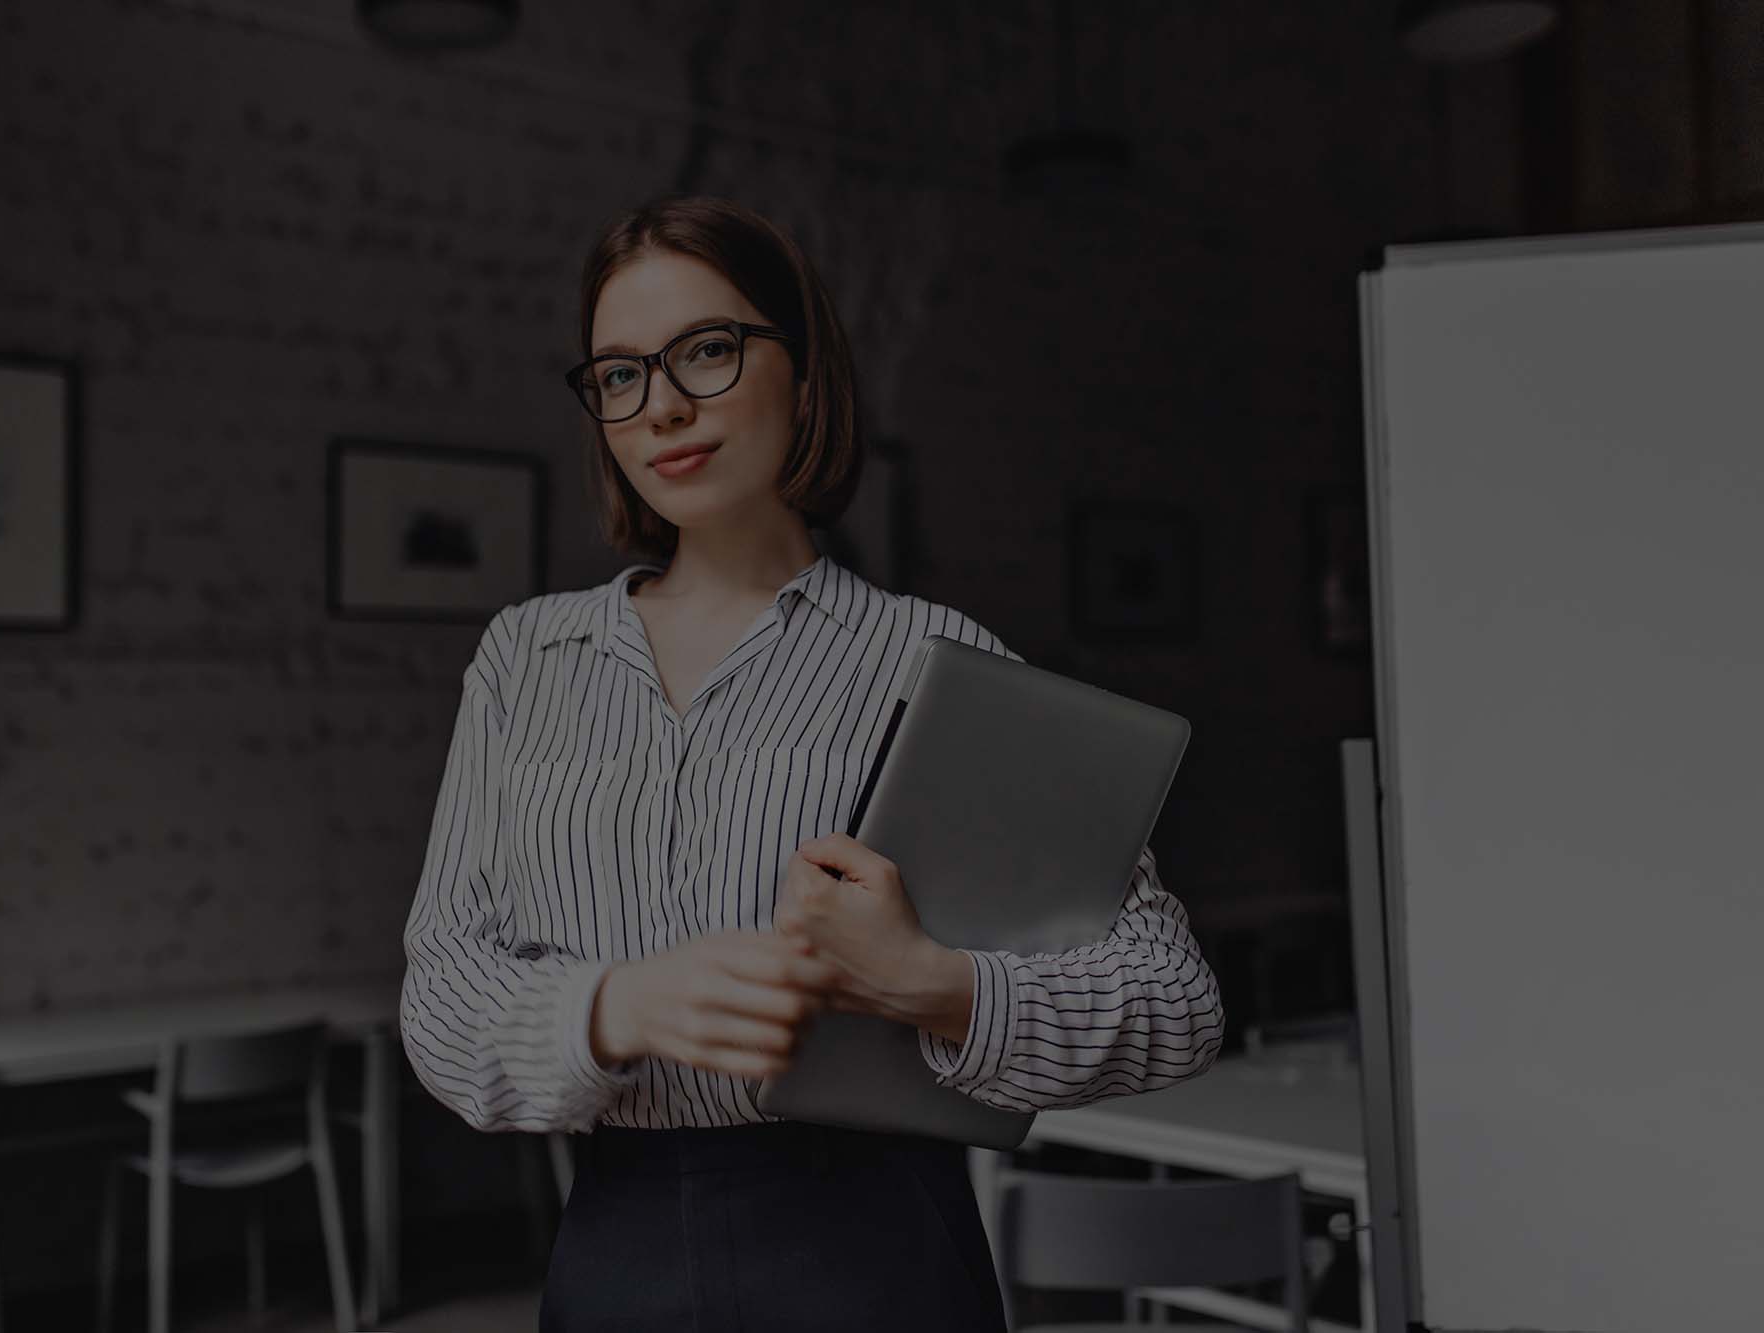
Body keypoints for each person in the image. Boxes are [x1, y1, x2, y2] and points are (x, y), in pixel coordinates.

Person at [399, 195, 1225, 1331]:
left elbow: (1172, 1002)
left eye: (707, 349)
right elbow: (441, 998)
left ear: (804, 364)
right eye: (620, 375)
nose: (665, 407)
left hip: (880, 1251)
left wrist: (931, 983)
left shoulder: (938, 663)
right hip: (614, 1254)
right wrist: (618, 1003)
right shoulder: (525, 659)